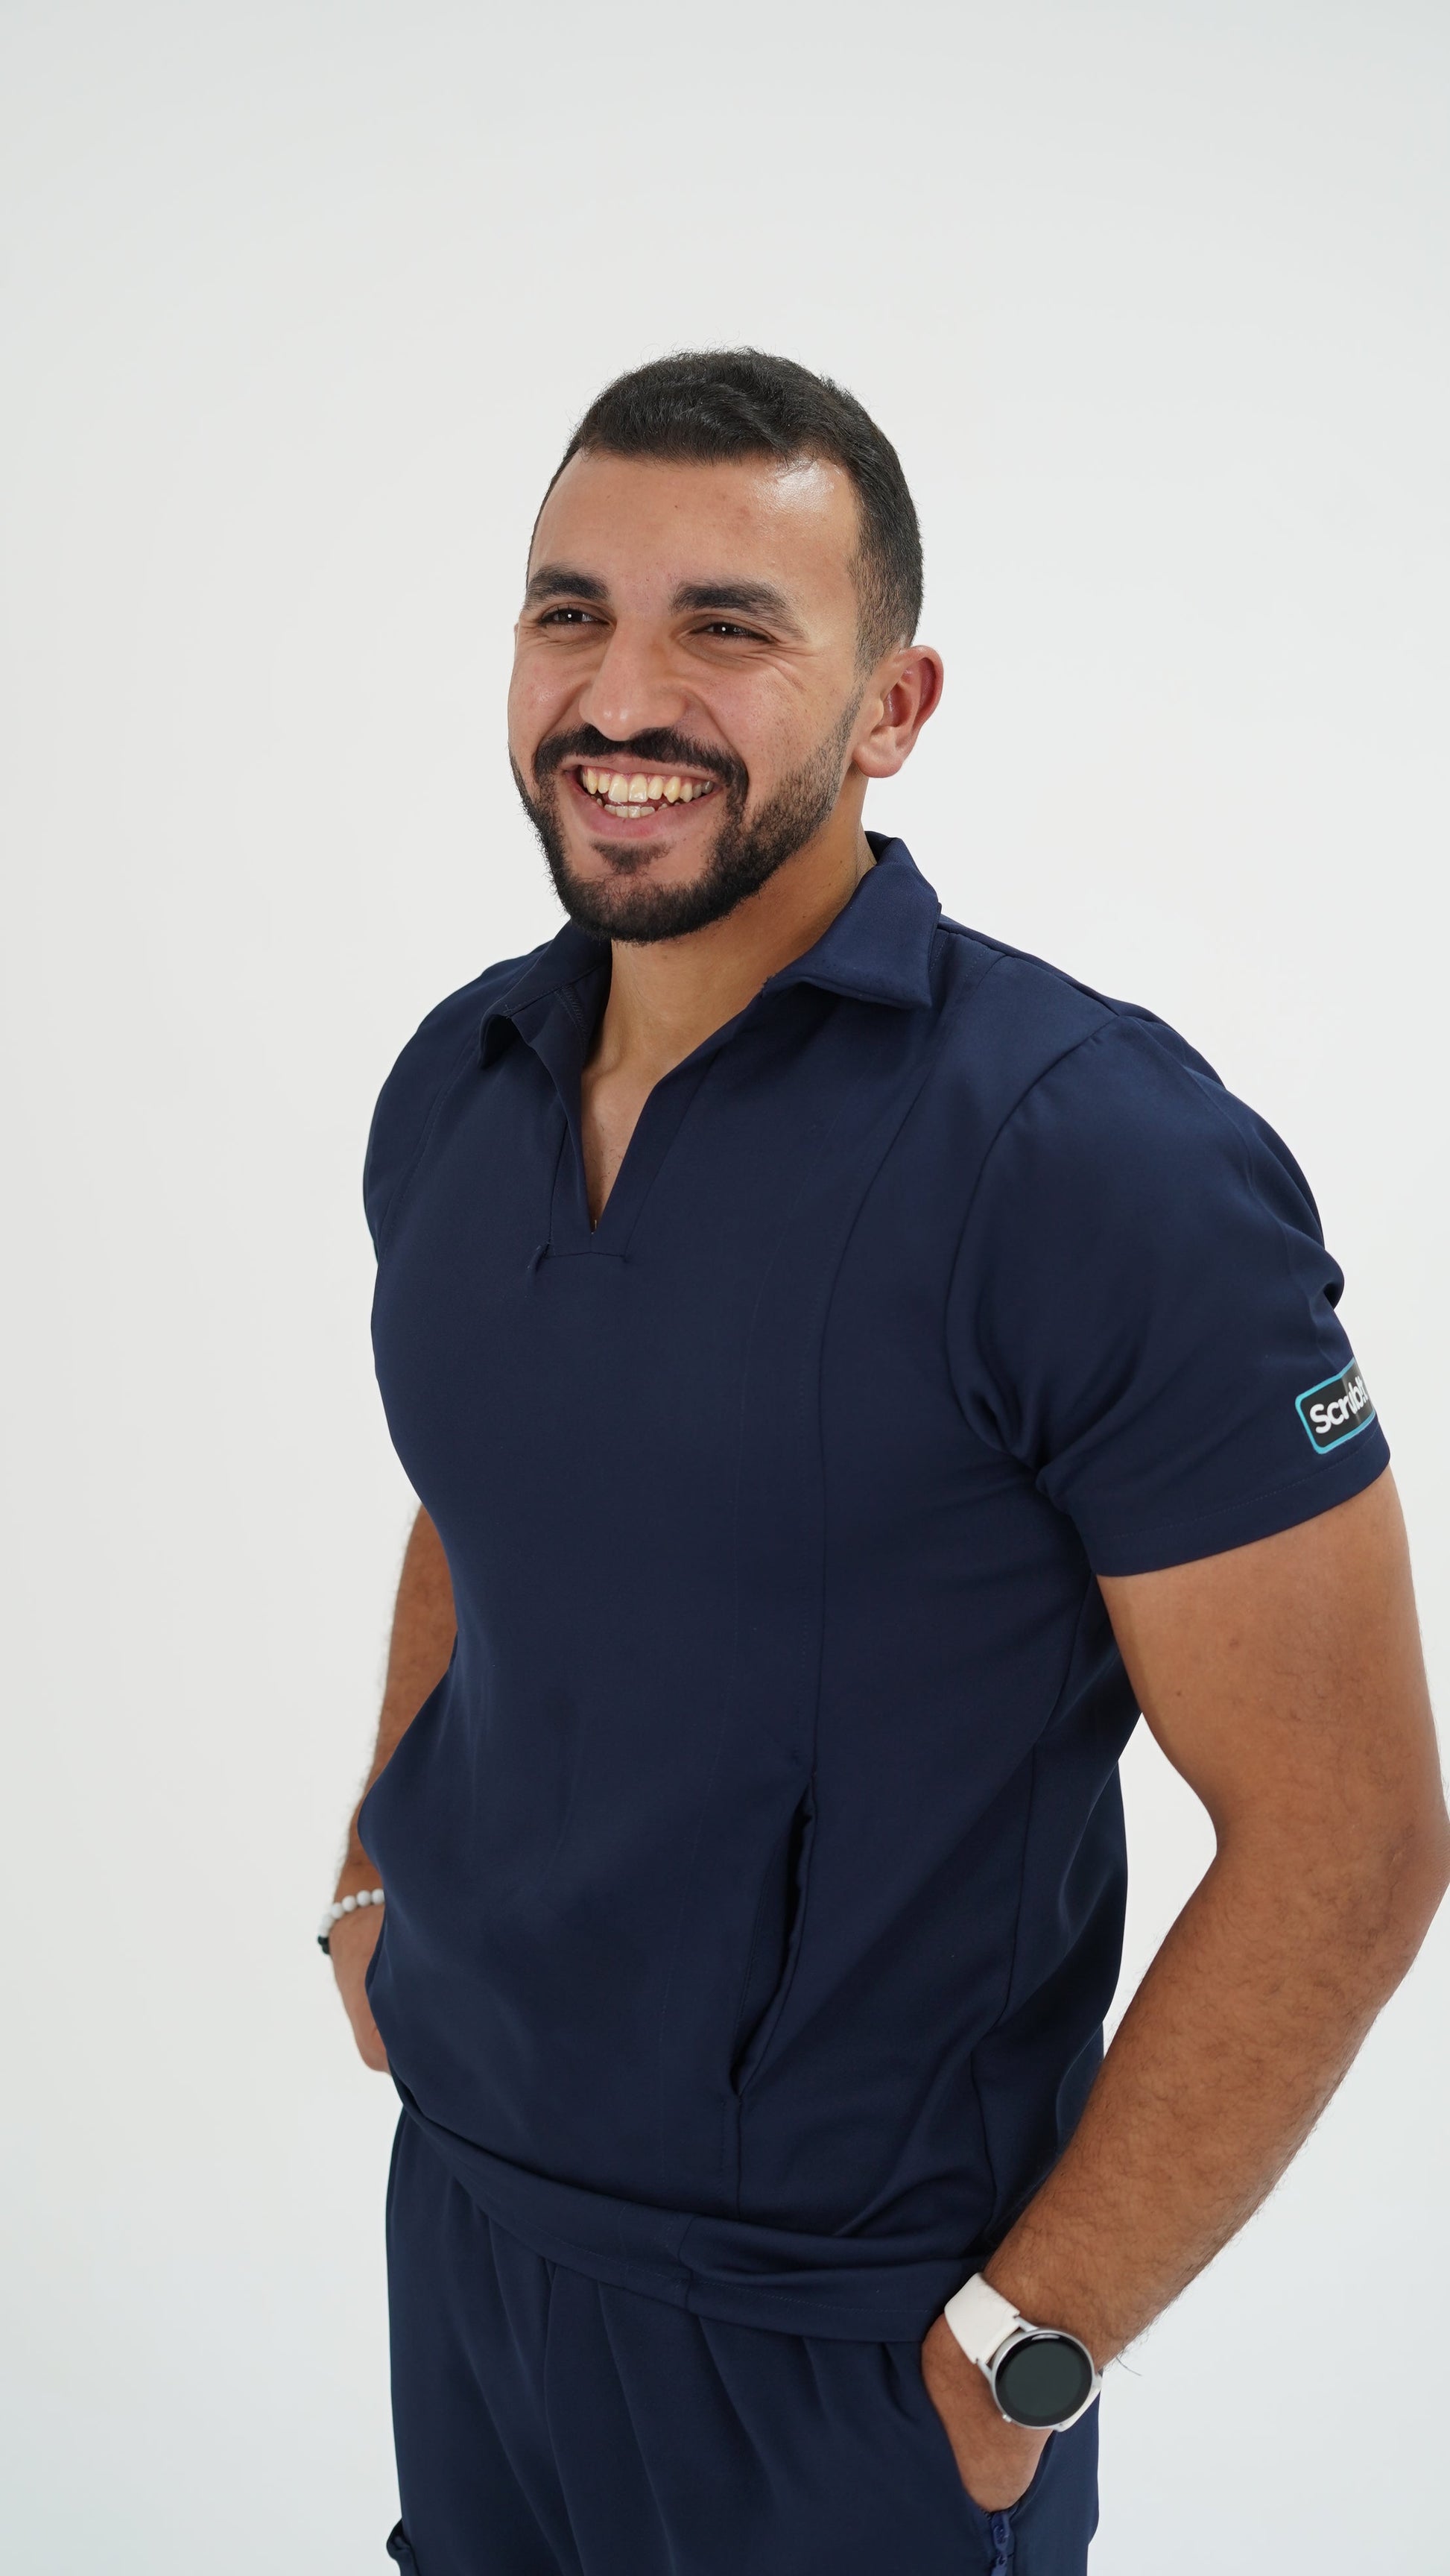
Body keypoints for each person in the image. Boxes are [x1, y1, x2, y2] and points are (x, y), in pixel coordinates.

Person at [323, 350, 1447, 2576]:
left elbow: (1354, 1832)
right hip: (465, 2233)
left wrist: (1033, 2338)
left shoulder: (1089, 1160)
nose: (621, 696)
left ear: (891, 707)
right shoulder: (460, 1084)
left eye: (726, 628)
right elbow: (481, 1488)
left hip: (850, 2345)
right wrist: (378, 1864)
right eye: (570, 614)